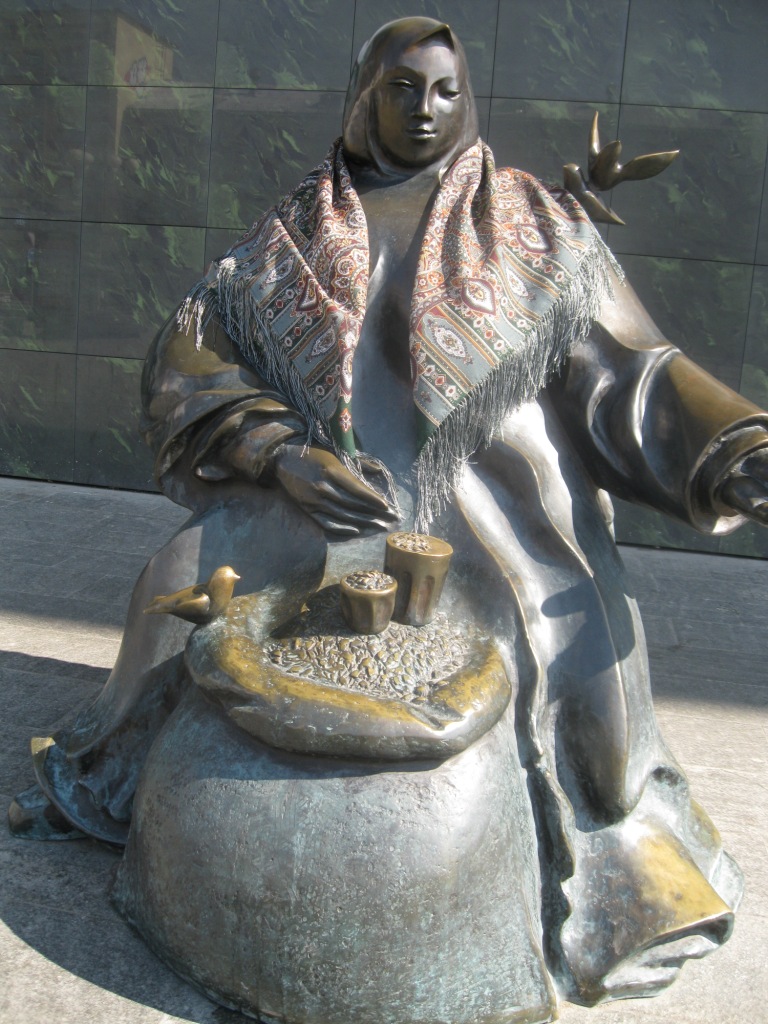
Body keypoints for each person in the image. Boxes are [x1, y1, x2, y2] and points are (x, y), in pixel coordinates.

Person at [11, 17, 768, 1020]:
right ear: (362, 94)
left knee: (569, 660)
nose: (424, 110)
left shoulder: (536, 222)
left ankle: (586, 872)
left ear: (470, 98)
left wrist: (734, 447)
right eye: (402, 88)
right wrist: (279, 454)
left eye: (446, 90)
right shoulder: (293, 229)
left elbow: (635, 372)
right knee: (175, 584)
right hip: (313, 502)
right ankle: (117, 787)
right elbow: (191, 358)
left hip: (490, 518)